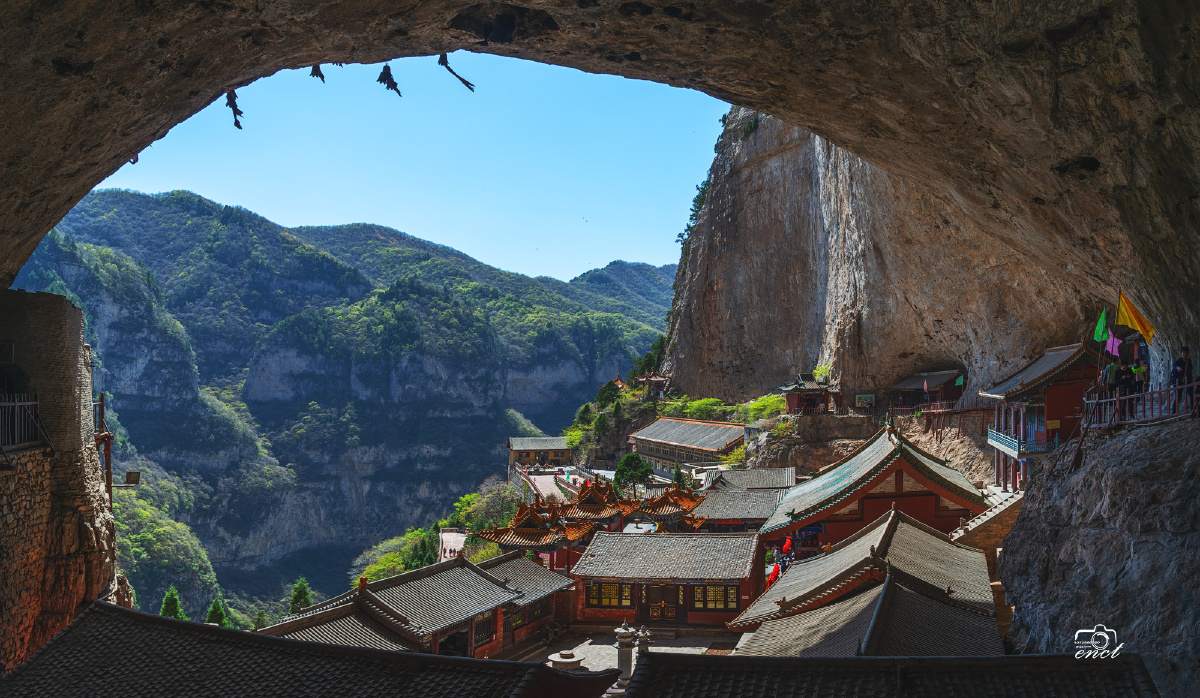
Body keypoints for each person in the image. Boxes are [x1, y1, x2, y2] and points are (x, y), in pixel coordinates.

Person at [1171, 346, 1194, 413]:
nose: (1185, 354)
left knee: (1191, 395)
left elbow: (1190, 369)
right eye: (1184, 353)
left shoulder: (1189, 361)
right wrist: (1177, 368)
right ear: (1181, 353)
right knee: (1178, 397)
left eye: (1186, 353)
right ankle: (1174, 412)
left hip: (1187, 381)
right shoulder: (1179, 361)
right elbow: (1174, 367)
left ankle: (1192, 409)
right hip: (1179, 381)